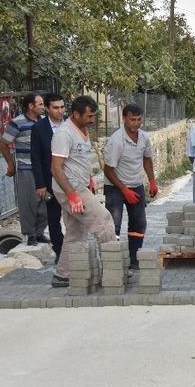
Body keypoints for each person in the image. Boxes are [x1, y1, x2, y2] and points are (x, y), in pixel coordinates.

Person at [50, 96, 117, 287]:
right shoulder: (64, 134)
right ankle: (113, 270)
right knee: (104, 221)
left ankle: (63, 275)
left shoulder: (83, 130)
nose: (92, 120)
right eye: (89, 116)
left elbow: (79, 160)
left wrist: (89, 179)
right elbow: (56, 168)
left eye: (94, 115)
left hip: (80, 186)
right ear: (76, 114)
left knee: (75, 231)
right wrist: (72, 195)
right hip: (70, 189)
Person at [102, 104, 158, 270]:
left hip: (136, 185)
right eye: (132, 119)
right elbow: (108, 170)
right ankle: (112, 264)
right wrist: (124, 190)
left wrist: (152, 181)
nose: (136, 123)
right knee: (114, 225)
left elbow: (146, 159)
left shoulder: (144, 137)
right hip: (115, 188)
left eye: (139, 119)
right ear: (124, 118)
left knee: (139, 224)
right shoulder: (116, 141)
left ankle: (135, 259)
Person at [0, 93, 48, 246]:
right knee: (29, 202)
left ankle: (40, 232)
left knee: (45, 202)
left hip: (44, 168)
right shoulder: (17, 123)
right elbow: (2, 143)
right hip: (27, 168)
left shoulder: (44, 121)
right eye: (40, 104)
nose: (43, 107)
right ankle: (30, 234)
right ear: (31, 106)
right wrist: (11, 164)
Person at [30, 93, 65, 263]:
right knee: (53, 216)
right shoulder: (39, 128)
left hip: (72, 178)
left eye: (62, 107)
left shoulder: (71, 124)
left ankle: (76, 248)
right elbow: (36, 158)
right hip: (50, 179)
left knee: (76, 215)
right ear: (47, 109)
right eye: (55, 108)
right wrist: (40, 184)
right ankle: (59, 250)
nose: (60, 111)